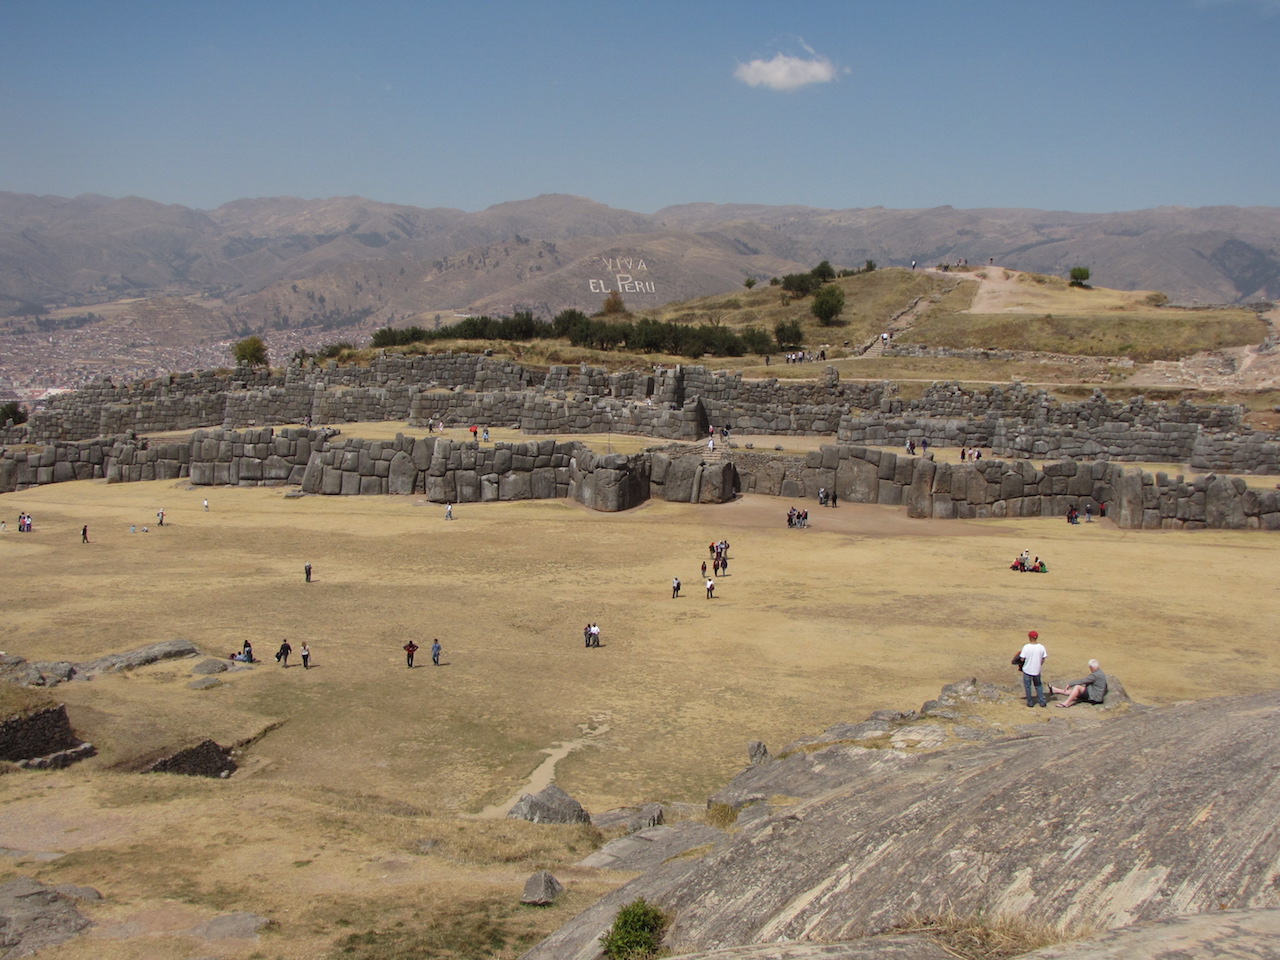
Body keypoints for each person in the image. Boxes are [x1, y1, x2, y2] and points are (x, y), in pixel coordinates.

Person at [1017, 630, 1049, 707]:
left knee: (1028, 686)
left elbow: (1022, 658)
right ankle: (1042, 701)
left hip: (1027, 669)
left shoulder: (1026, 647)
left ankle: (1030, 702)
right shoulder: (1041, 647)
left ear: (1030, 637)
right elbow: (1043, 658)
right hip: (1037, 670)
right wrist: (1039, 664)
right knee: (1038, 686)